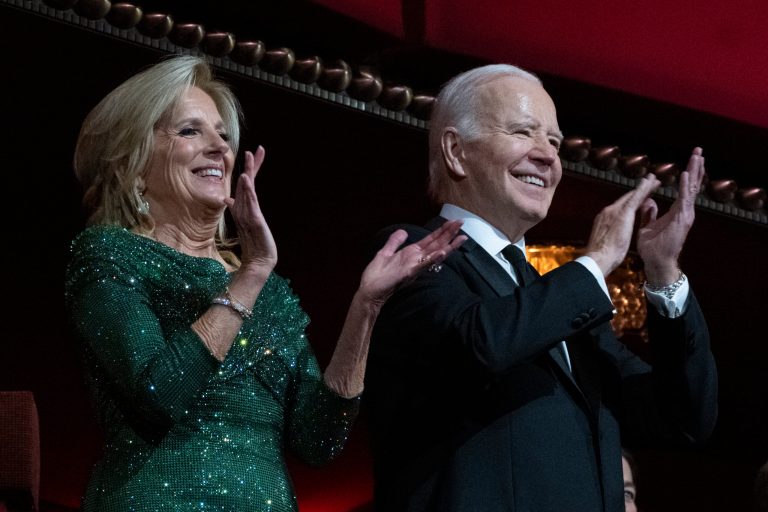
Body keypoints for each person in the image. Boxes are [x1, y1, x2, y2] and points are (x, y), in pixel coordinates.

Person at [64, 54, 464, 512]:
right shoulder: (110, 256)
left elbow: (318, 439)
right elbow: (159, 397)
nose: (220, 148)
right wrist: (251, 273)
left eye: (222, 134)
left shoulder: (269, 290)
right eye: (190, 131)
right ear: (133, 165)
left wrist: (366, 307)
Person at [364, 64, 718, 512]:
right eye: (523, 132)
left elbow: (683, 420)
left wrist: (664, 273)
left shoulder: (563, 304)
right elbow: (480, 343)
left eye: (553, 141)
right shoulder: (412, 252)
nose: (548, 156)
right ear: (456, 151)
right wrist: (595, 261)